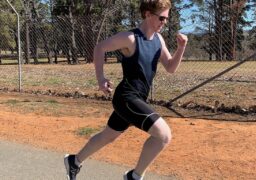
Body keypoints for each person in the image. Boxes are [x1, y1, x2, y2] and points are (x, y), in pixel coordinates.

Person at [64, 0, 188, 179]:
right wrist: (101, 78)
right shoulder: (131, 38)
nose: (165, 22)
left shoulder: (158, 40)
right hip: (126, 97)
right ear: (147, 14)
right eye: (162, 18)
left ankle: (74, 161)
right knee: (163, 135)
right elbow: (100, 48)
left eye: (167, 19)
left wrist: (181, 48)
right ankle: (134, 176)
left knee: (108, 135)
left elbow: (170, 67)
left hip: (137, 98)